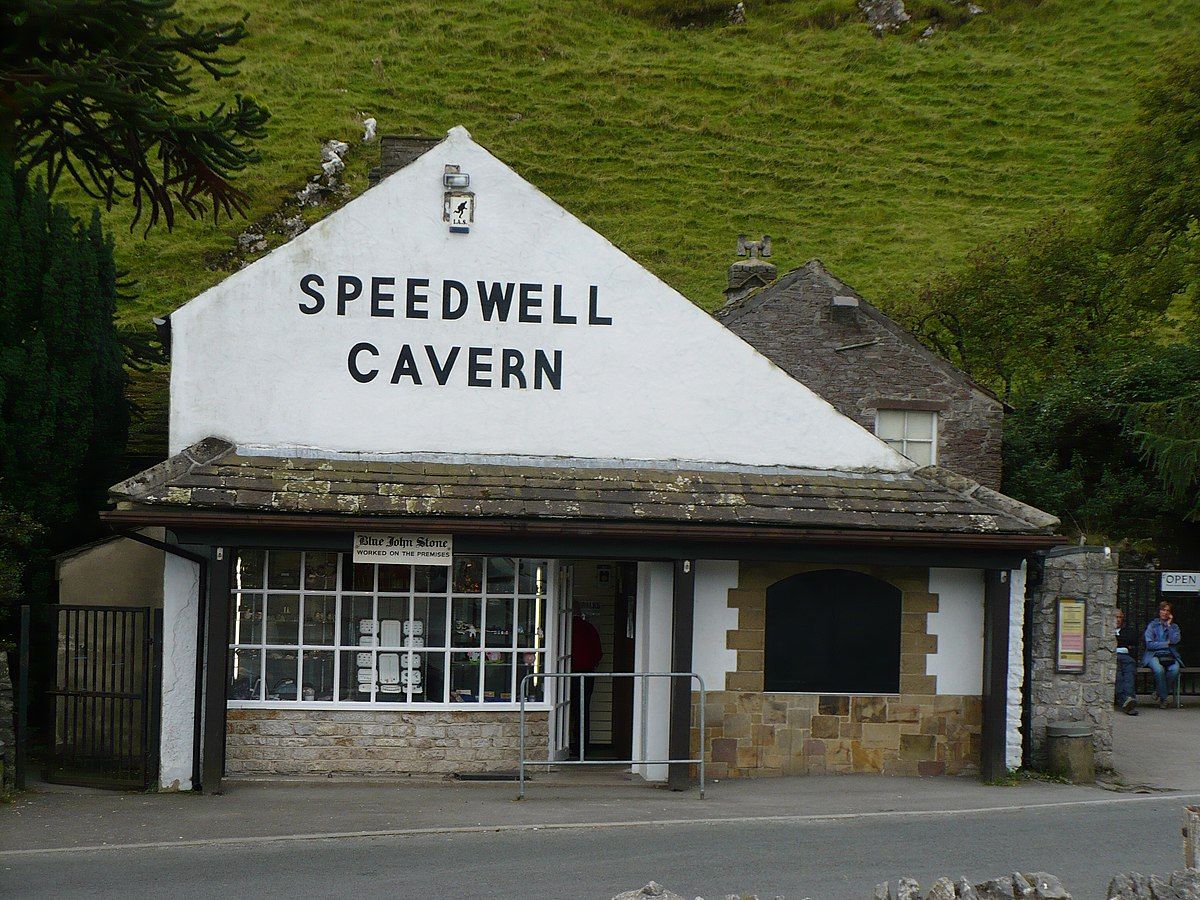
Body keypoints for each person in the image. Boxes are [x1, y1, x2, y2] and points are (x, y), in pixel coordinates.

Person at [568, 613, 603, 759]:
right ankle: (582, 748)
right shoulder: (589, 628)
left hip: (567, 673)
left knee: (565, 710)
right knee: (582, 711)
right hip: (587, 673)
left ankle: (565, 744)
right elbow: (598, 653)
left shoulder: (565, 628)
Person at [1143, 600, 1182, 709]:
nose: (1165, 612)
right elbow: (1149, 645)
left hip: (1170, 655)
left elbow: (1175, 640)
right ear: (1159, 611)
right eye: (1163, 610)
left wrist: (1169, 626)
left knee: (1175, 670)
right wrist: (1166, 644)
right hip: (1153, 655)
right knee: (1159, 670)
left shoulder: (1174, 627)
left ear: (1170, 613)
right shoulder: (1152, 626)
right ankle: (1164, 698)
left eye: (1167, 610)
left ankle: (1158, 691)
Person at [1115, 608, 1139, 715]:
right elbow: (1125, 642)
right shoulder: (1105, 631)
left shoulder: (1127, 631)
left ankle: (1128, 699)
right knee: (1118, 676)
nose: (1118, 619)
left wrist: (1118, 641)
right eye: (1116, 617)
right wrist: (1123, 643)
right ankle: (1127, 701)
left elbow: (1133, 640)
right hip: (1113, 658)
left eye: (1120, 617)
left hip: (1126, 658)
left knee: (1129, 674)